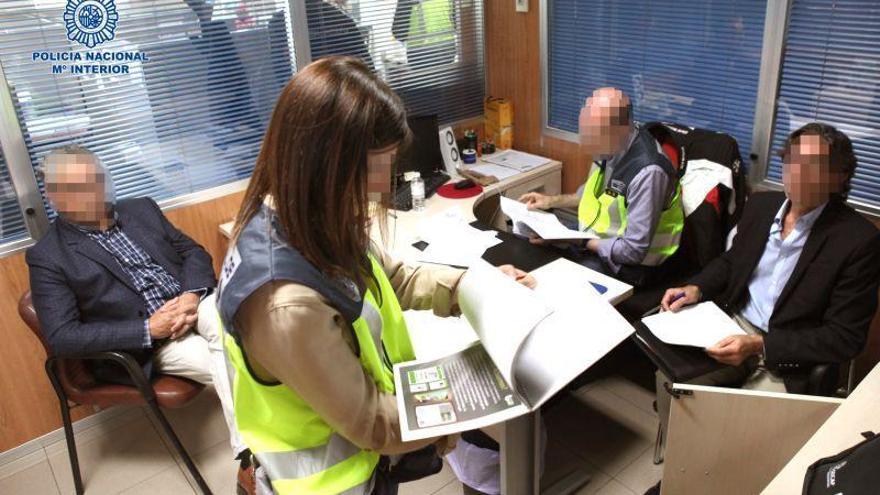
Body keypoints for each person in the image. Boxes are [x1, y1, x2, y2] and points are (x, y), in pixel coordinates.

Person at [216, 56, 535, 495]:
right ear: (329, 165)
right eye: (379, 165)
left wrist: (472, 285)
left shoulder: (309, 216)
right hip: (331, 482)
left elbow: (392, 276)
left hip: (366, 461)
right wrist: (462, 409)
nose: (384, 185)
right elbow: (373, 423)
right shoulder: (283, 302)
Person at [649, 123, 880, 490]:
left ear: (839, 177)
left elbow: (845, 338)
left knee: (742, 436)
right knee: (672, 382)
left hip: (786, 354)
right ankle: (685, 468)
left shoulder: (858, 241)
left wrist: (760, 346)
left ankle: (721, 478)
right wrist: (696, 287)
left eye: (815, 165)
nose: (799, 173)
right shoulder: (762, 205)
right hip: (732, 326)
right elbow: (731, 262)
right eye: (793, 161)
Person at [24, 145, 251, 490]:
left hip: (191, 304)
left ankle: (249, 455)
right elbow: (62, 336)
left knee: (243, 337)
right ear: (55, 196)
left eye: (96, 181)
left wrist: (191, 295)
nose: (94, 193)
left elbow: (191, 252)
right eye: (79, 187)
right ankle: (254, 455)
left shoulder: (140, 208)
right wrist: (148, 328)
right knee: (236, 359)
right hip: (150, 343)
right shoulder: (48, 256)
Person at [519, 87, 684, 286]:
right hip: (596, 242)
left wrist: (578, 241)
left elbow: (633, 251)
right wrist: (551, 201)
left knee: (556, 284)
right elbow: (593, 195)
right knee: (527, 247)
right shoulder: (609, 146)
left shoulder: (648, 172)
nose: (587, 143)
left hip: (633, 267)